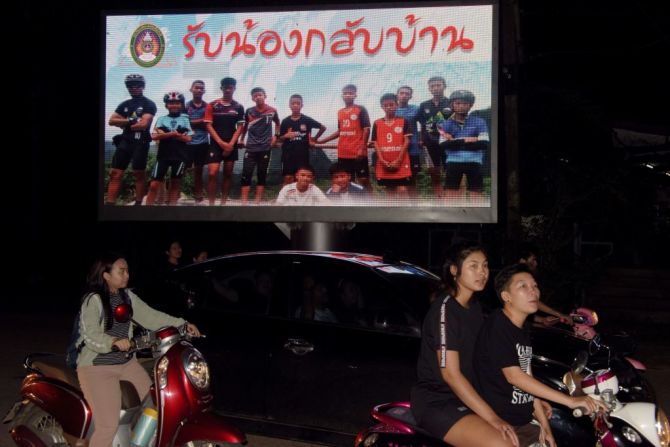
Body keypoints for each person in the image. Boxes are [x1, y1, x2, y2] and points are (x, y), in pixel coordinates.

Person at [74, 252, 200, 447]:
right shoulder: (94, 300)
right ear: (106, 275)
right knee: (108, 425)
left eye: (127, 271)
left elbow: (150, 316)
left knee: (156, 405)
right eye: (121, 271)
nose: (127, 275)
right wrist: (113, 340)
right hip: (97, 368)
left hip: (126, 363)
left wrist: (182, 324)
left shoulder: (127, 297)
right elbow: (90, 334)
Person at [475, 264, 607, 446]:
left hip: (523, 423)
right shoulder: (498, 326)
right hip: (500, 425)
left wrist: (546, 428)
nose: (533, 292)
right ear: (507, 297)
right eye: (523, 286)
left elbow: (528, 379)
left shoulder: (521, 329)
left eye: (534, 286)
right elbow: (515, 377)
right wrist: (571, 401)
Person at [410, 243, 520, 447]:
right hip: (439, 401)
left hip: (470, 396)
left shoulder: (475, 308)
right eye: (474, 266)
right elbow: (451, 374)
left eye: (485, 266)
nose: (482, 272)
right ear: (454, 270)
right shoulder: (445, 310)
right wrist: (493, 418)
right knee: (503, 444)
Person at [106, 74, 157, 205]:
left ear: (143, 86)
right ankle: (110, 205)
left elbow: (143, 125)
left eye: (137, 85)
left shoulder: (149, 103)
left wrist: (123, 122)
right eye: (130, 85)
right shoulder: (124, 104)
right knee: (115, 173)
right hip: (125, 141)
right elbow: (111, 121)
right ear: (127, 87)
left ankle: (139, 204)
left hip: (141, 142)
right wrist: (131, 120)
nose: (134, 87)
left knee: (138, 174)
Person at [438, 90, 489, 204]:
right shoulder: (445, 123)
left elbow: (483, 144)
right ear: (452, 105)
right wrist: (466, 139)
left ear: (470, 105)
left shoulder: (479, 122)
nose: (461, 106)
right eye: (457, 103)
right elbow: (443, 144)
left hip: (474, 162)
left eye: (465, 103)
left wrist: (454, 141)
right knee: (451, 195)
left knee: (477, 195)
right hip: (453, 162)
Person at [316, 84, 371, 190]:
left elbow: (366, 129)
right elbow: (340, 131)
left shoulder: (360, 109)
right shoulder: (340, 112)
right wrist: (321, 141)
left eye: (350, 93)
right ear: (342, 96)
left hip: (358, 152)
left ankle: (370, 203)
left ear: (355, 95)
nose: (348, 95)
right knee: (348, 181)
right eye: (345, 93)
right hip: (343, 152)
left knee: (364, 180)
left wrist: (362, 147)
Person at [146, 91, 193, 206]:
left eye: (177, 103)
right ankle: (146, 211)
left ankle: (171, 209)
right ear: (166, 105)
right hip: (163, 156)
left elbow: (189, 139)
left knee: (175, 183)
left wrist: (167, 134)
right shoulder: (161, 119)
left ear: (181, 105)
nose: (174, 105)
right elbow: (154, 136)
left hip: (180, 156)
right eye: (171, 103)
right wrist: (173, 134)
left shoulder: (185, 119)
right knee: (154, 184)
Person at [204, 77, 245, 205]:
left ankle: (222, 203)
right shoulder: (212, 105)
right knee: (212, 173)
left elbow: (240, 127)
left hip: (231, 144)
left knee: (228, 174)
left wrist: (231, 144)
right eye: (225, 87)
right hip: (216, 144)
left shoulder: (238, 106)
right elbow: (208, 125)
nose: (228, 89)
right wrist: (221, 143)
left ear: (234, 89)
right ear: (221, 88)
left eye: (231, 87)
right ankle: (211, 204)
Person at [240, 87, 281, 205]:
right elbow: (244, 127)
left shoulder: (272, 110)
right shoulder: (249, 111)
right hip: (251, 147)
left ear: (265, 96)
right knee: (246, 175)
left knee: (261, 175)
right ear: (253, 98)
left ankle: (257, 203)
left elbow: (278, 123)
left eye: (260, 95)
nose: (258, 97)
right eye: (255, 96)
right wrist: (242, 139)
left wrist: (275, 137)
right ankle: (244, 203)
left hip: (265, 148)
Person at [516, 242, 572, 326]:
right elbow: (534, 302)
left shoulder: (521, 277)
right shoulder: (515, 279)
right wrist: (560, 315)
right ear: (522, 261)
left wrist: (542, 320)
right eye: (533, 260)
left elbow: (521, 311)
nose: (536, 264)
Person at [371, 93, 412, 199]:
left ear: (396, 105)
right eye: (385, 105)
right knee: (389, 191)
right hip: (384, 161)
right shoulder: (377, 123)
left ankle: (405, 214)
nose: (389, 107)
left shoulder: (404, 121)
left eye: (391, 104)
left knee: (402, 190)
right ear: (382, 107)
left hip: (400, 161)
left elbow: (407, 141)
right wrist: (382, 160)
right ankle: (391, 213)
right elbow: (375, 143)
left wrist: (398, 160)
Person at [278, 94, 326, 185]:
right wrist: (285, 136)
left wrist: (314, 139)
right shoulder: (285, 121)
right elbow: (280, 139)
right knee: (288, 178)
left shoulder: (307, 120)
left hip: (302, 154)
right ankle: (285, 198)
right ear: (289, 105)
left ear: (301, 105)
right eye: (293, 103)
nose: (295, 105)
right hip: (288, 155)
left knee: (301, 178)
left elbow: (323, 127)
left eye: (298, 103)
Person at [418, 76, 451, 197]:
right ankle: (439, 198)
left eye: (438, 85)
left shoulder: (451, 103)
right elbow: (422, 124)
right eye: (432, 86)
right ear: (429, 89)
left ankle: (451, 198)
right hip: (430, 143)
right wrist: (421, 139)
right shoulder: (424, 105)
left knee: (451, 172)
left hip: (448, 143)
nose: (436, 88)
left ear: (444, 86)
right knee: (434, 173)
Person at [185, 80, 210, 204]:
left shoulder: (207, 106)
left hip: (202, 142)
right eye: (197, 88)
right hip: (187, 143)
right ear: (191, 89)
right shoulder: (186, 106)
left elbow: (209, 123)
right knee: (181, 169)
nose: (199, 90)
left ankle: (198, 196)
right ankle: (173, 194)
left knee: (199, 171)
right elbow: (184, 123)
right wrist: (201, 121)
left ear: (204, 91)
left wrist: (193, 123)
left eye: (201, 88)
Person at [395, 86, 422, 196]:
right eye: (402, 93)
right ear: (397, 95)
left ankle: (414, 207)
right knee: (398, 181)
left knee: (412, 180)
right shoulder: (392, 108)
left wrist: (422, 139)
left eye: (407, 93)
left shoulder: (415, 109)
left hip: (413, 149)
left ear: (410, 96)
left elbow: (424, 124)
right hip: (396, 149)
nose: (404, 95)